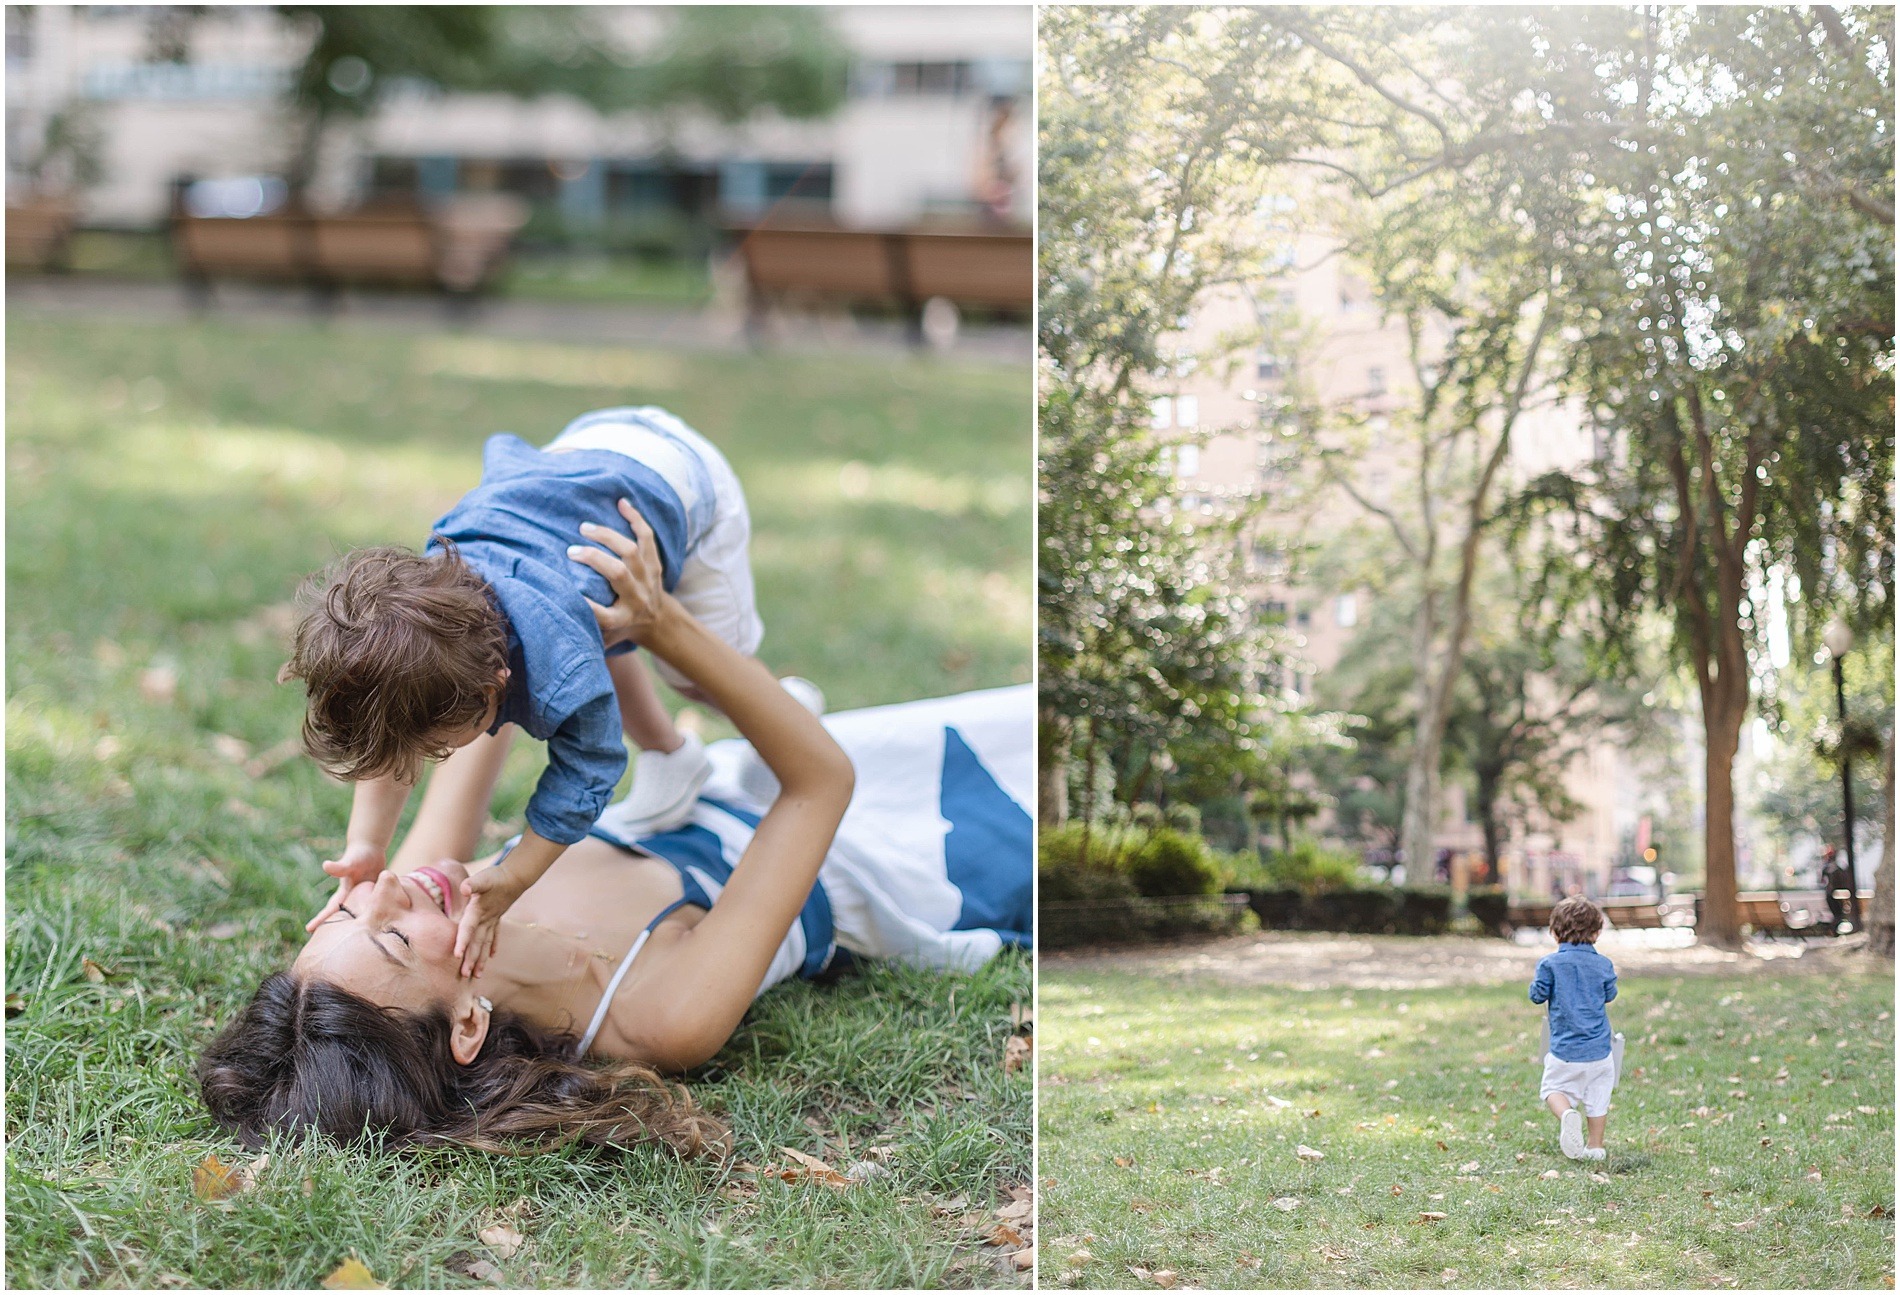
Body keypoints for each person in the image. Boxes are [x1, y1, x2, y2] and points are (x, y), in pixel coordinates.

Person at [198, 508, 1032, 1155]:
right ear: (466, 1024)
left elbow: (470, 723)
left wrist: (460, 616)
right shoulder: (660, 1015)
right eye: (388, 937)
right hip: (903, 839)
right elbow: (820, 782)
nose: (383, 888)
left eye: (343, 910)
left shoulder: (431, 889)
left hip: (741, 772)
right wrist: (660, 624)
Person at [282, 407, 770, 979]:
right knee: (602, 646)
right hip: (581, 456)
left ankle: (782, 702)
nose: (433, 759)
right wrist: (367, 842)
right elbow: (390, 743)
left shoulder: (558, 665)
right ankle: (671, 753)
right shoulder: (436, 622)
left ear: (499, 683)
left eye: (439, 748)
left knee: (698, 674)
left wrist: (517, 874)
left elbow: (587, 773)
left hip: (679, 479)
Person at [1529, 896, 1620, 1161]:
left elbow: (1537, 995)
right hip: (1600, 1051)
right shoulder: (1603, 964)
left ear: (1555, 932)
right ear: (1597, 931)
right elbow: (1609, 994)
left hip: (1565, 1050)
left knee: (1552, 1089)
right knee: (1598, 1098)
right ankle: (1595, 1147)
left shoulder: (1549, 964)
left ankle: (1567, 1114)